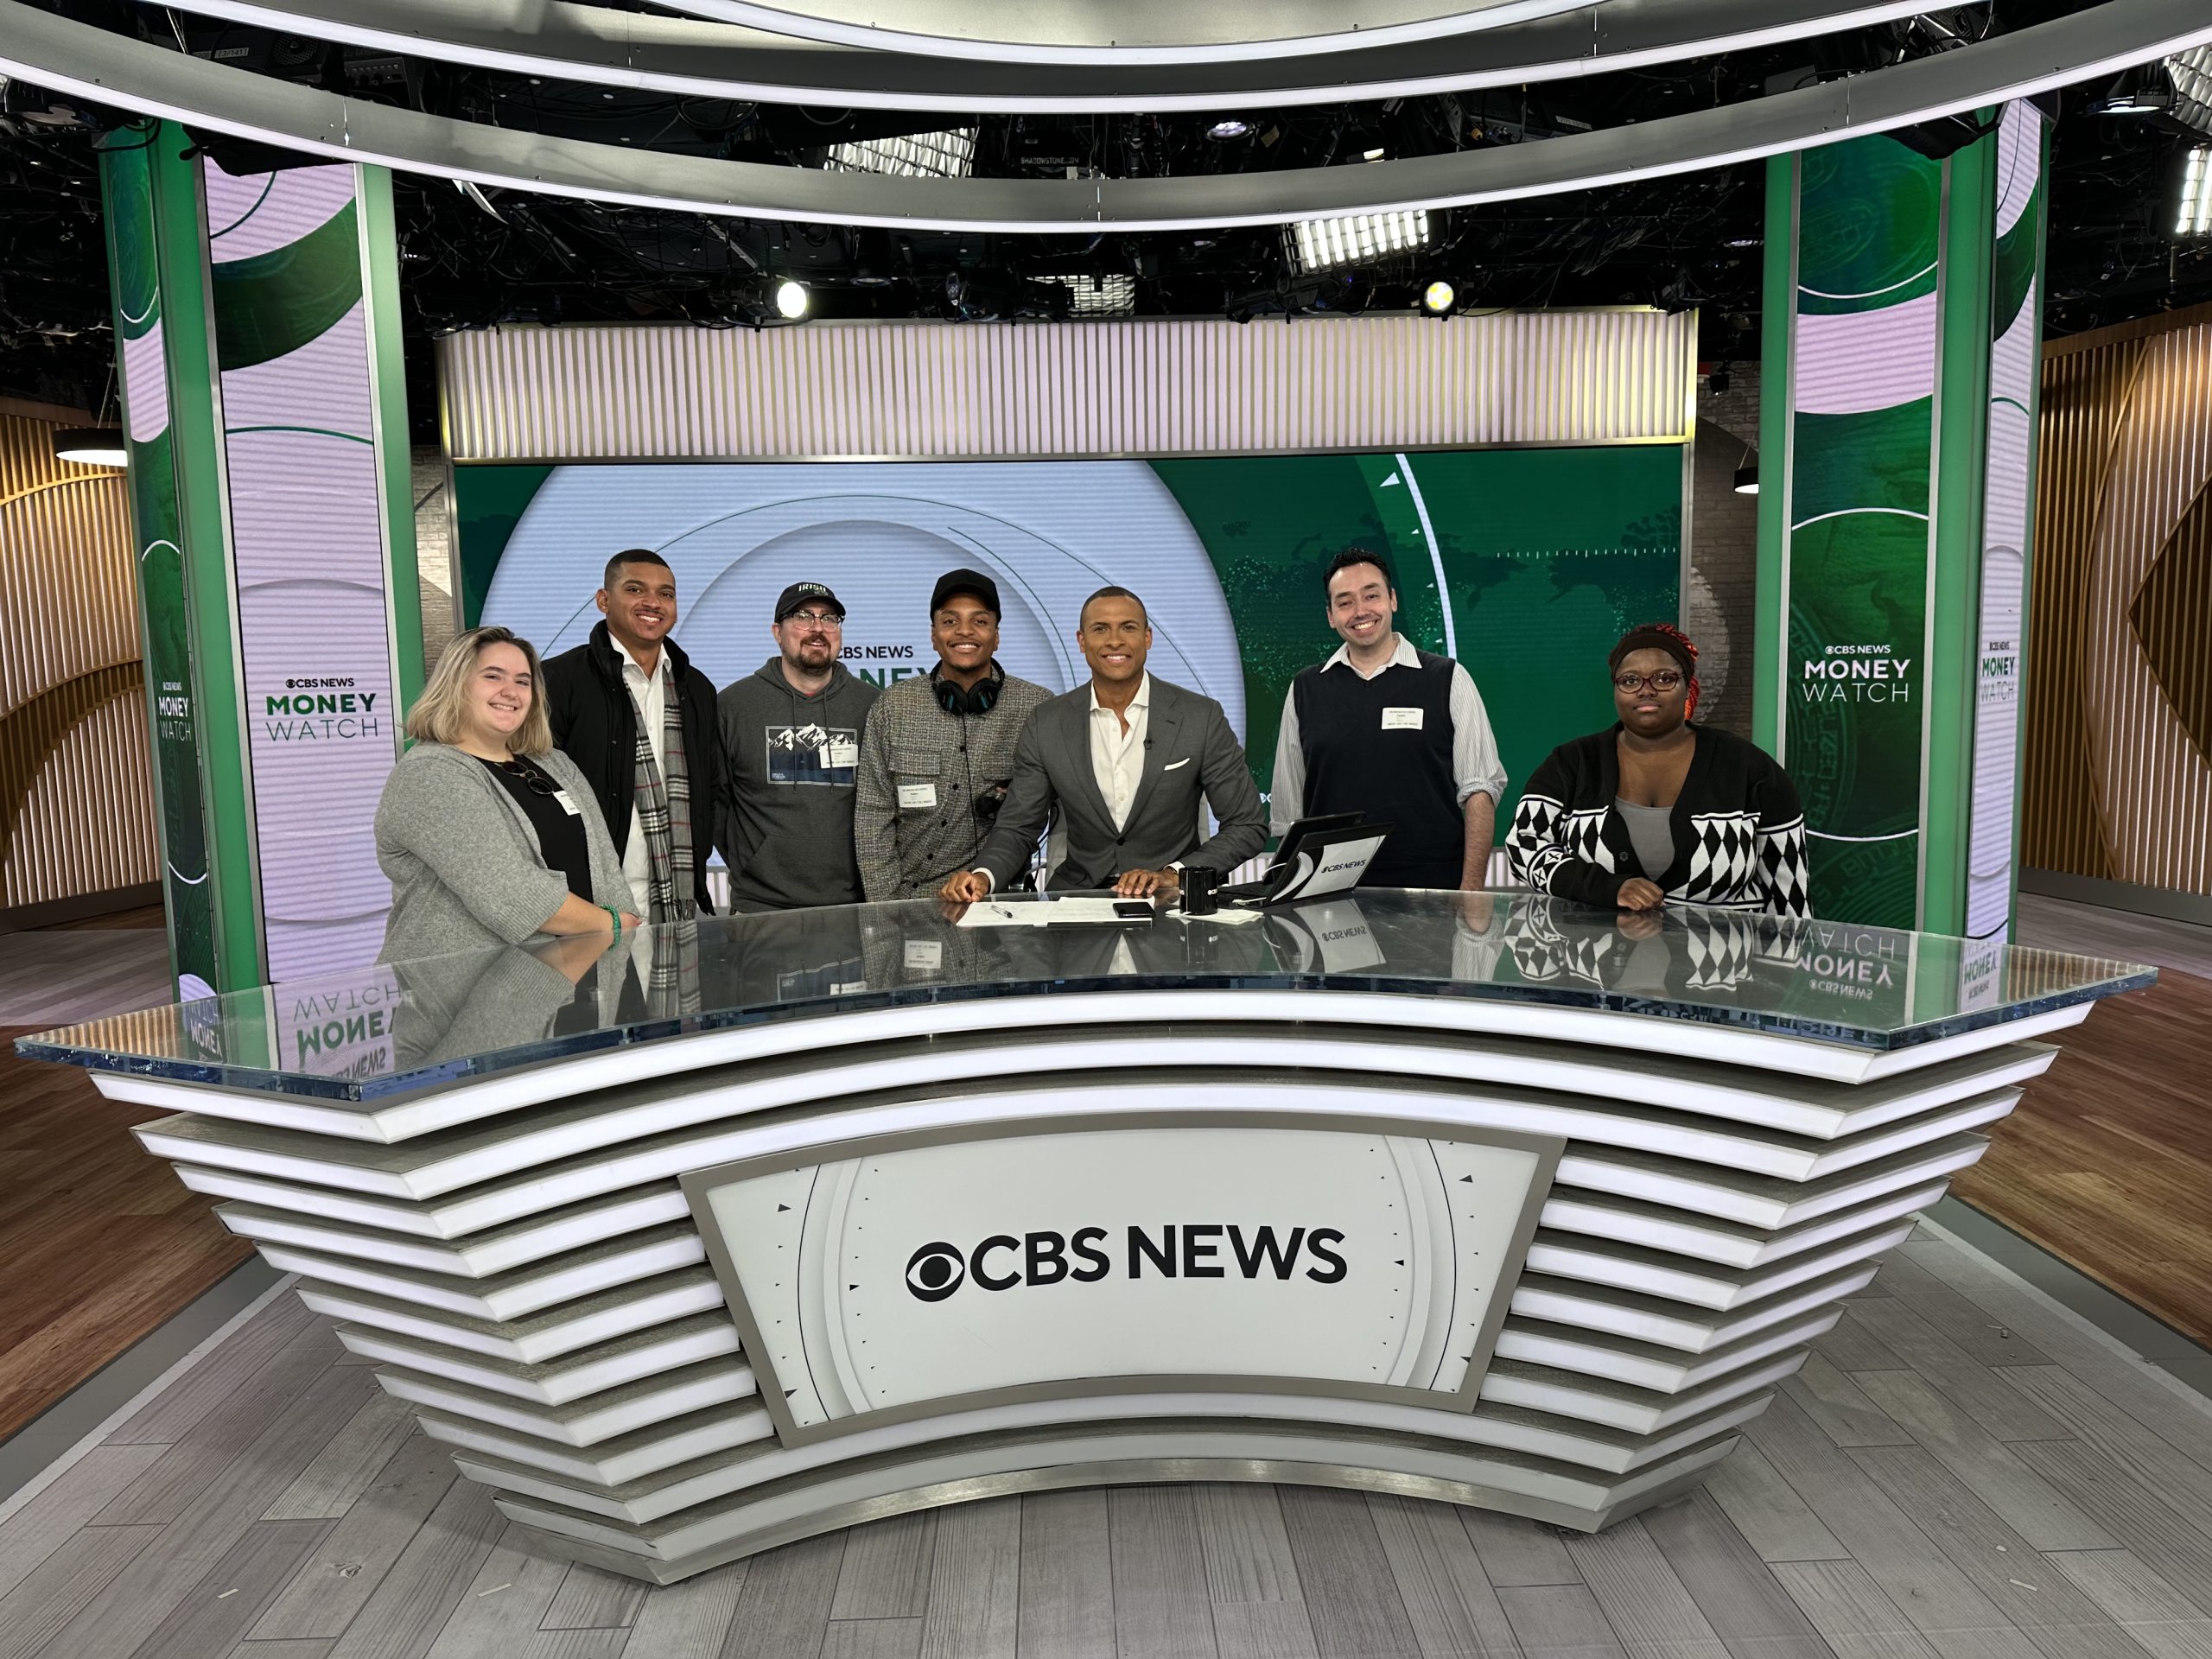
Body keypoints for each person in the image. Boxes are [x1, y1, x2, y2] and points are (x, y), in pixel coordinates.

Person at [942, 586, 1267, 902]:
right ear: (1082, 641)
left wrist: (1175, 874)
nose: (1115, 640)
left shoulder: (1200, 717)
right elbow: (1018, 826)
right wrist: (983, 875)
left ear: (1147, 638)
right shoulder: (1047, 722)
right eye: (1100, 629)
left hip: (1170, 905)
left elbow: (1247, 825)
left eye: (1128, 628)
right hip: (1078, 901)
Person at [1505, 622, 1811, 917]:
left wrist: (1781, 968)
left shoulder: (1749, 767)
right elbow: (1524, 845)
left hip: (1720, 964)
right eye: (1630, 680)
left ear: (1687, 686)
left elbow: (1788, 892)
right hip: (1594, 963)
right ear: (1615, 689)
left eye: (1664, 678)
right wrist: (1605, 888)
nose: (1645, 690)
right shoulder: (1572, 762)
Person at [374, 625, 635, 960]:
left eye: (522, 681)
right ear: (456, 685)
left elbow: (606, 865)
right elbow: (509, 893)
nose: (511, 692)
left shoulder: (555, 764)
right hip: (466, 993)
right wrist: (614, 925)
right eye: (493, 677)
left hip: (582, 973)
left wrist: (622, 933)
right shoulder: (429, 773)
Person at [1270, 549, 1508, 889]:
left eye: (1371, 595)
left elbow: (1481, 792)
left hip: (1434, 890)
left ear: (1393, 600)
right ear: (1331, 616)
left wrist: (1470, 893)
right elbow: (1287, 814)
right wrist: (1290, 894)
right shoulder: (1305, 688)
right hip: (1329, 896)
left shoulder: (1448, 678)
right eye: (1345, 602)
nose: (1361, 611)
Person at [540, 550, 724, 922]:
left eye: (666, 594)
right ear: (603, 600)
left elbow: (711, 787)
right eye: (636, 589)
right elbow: (538, 793)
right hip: (587, 902)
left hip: (678, 896)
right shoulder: (557, 681)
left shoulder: (697, 688)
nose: (653, 603)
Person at [854, 568, 1052, 900]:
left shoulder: (1037, 708)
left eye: (979, 621)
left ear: (996, 635)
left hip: (999, 904)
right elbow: (873, 816)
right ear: (933, 635)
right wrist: (887, 909)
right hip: (907, 902)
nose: (964, 631)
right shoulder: (894, 706)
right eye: (950, 621)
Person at [719, 580, 880, 911]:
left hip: (854, 906)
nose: (817, 629)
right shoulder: (733, 705)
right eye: (803, 617)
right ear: (778, 632)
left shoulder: (874, 706)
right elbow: (714, 802)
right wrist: (752, 861)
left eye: (829, 619)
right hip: (761, 908)